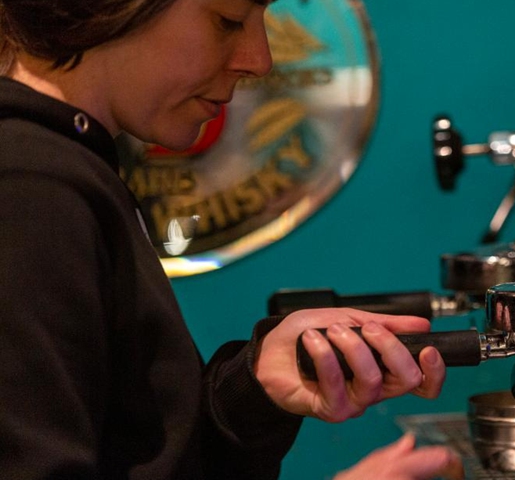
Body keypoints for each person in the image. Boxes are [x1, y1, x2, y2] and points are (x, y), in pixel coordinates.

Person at [0, 0, 464, 478]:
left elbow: (142, 454)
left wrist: (253, 389)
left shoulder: (71, 165)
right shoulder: (31, 186)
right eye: (228, 19)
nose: (259, 60)